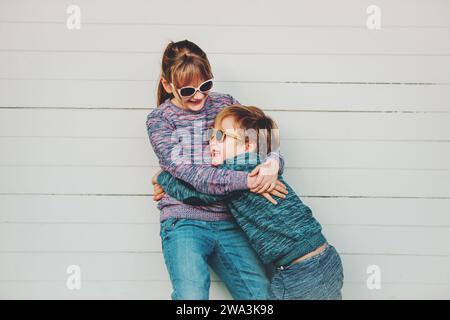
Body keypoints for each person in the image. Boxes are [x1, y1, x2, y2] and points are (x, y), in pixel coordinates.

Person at [155, 105, 344, 300]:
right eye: (212, 135)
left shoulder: (238, 168)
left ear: (247, 146)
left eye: (221, 136)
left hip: (301, 270)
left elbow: (197, 193)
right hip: (323, 258)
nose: (212, 141)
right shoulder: (261, 165)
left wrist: (163, 178)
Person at [146, 40, 288, 300]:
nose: (199, 96)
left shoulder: (225, 103)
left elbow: (263, 140)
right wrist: (249, 180)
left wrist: (272, 163)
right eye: (188, 90)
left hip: (229, 220)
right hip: (184, 222)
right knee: (191, 298)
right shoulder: (160, 120)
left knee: (260, 296)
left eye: (205, 85)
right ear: (168, 86)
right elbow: (196, 177)